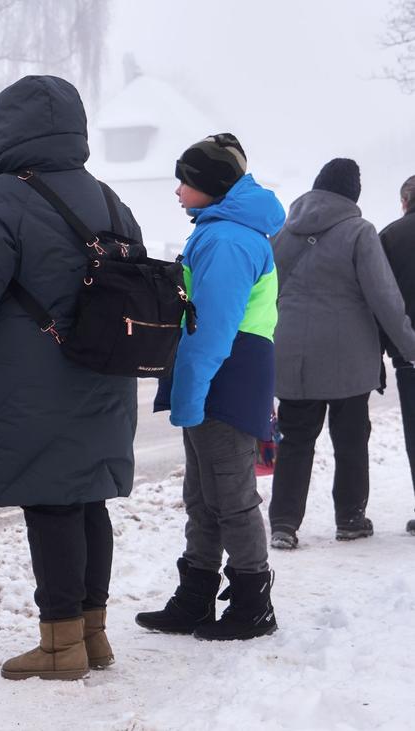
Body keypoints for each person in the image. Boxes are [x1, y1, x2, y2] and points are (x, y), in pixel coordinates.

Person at [0, 75, 141, 681]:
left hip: (37, 380)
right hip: (106, 374)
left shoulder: (1, 197)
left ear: (1, 132)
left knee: (51, 503)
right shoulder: (108, 198)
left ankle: (59, 649)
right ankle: (93, 636)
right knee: (87, 503)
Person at [137, 133, 284, 641]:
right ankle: (195, 599)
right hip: (223, 374)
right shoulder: (223, 230)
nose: (178, 190)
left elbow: (211, 329)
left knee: (232, 496)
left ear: (212, 186)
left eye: (186, 180)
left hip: (225, 376)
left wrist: (190, 395)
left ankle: (252, 606)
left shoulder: (226, 240)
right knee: (203, 496)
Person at [268, 159, 415, 549]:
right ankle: (349, 518)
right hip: (348, 356)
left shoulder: (284, 233)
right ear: (353, 194)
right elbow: (383, 296)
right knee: (350, 437)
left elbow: (268, 290)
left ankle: (283, 522)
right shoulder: (359, 231)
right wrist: (408, 345)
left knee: (296, 438)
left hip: (293, 354)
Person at [379, 174, 415, 536]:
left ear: (405, 201)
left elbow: (380, 297)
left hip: (410, 353)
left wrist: (386, 346)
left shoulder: (389, 237)